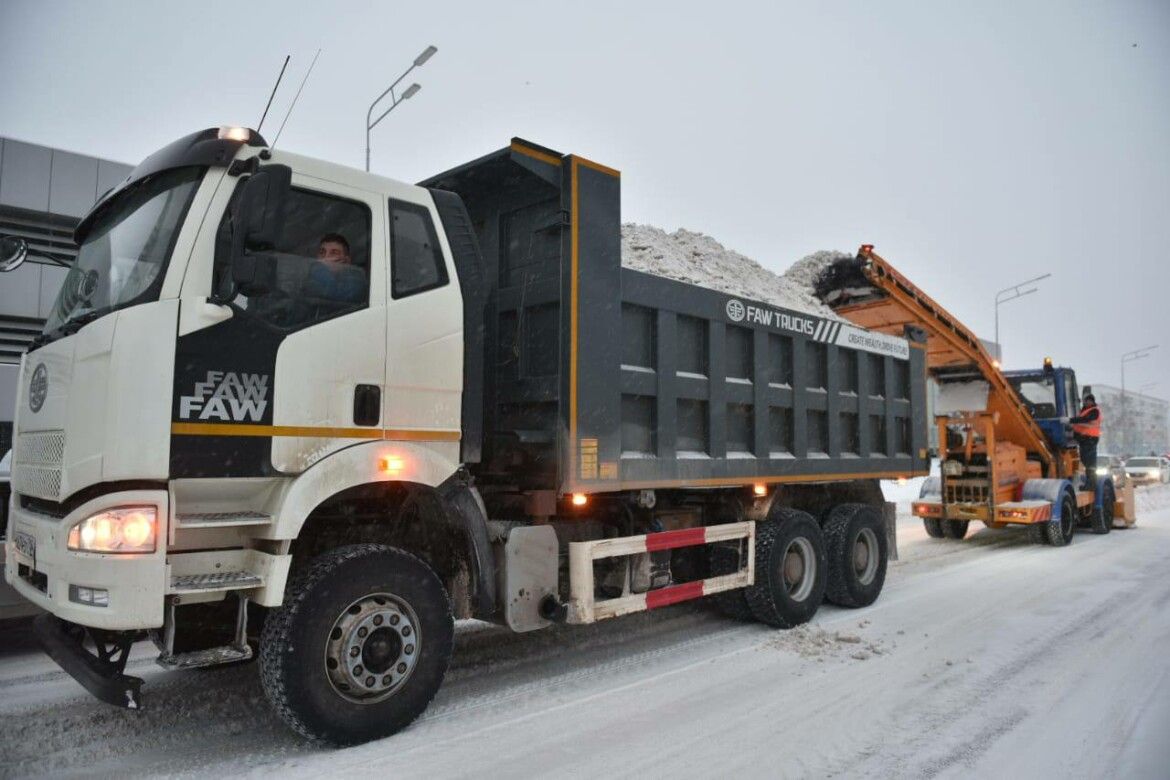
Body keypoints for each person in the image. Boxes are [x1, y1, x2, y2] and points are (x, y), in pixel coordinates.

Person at [306, 232, 365, 303]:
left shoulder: (355, 280)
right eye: (322, 252)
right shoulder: (310, 280)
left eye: (334, 253)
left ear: (346, 261)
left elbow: (337, 297)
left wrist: (319, 269)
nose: (326, 257)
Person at [1070, 393, 1102, 487]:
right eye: (1086, 400)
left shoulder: (1094, 411)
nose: (1088, 402)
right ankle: (1089, 482)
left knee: (1090, 462)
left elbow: (1085, 420)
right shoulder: (1084, 410)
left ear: (1092, 401)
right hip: (1084, 439)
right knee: (1085, 460)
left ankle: (1091, 484)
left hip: (1090, 439)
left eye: (1089, 401)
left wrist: (1070, 420)